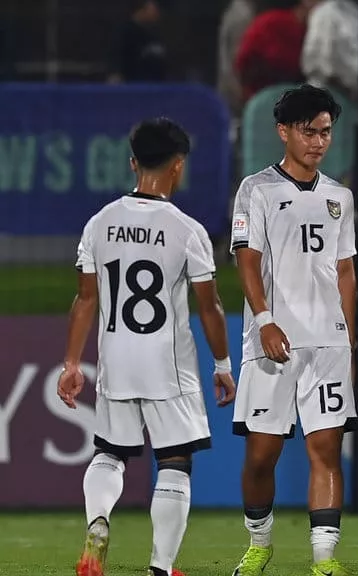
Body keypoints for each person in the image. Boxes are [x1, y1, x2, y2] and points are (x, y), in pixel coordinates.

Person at [59, 117, 236, 576]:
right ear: (178, 166)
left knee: (109, 453)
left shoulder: (100, 223)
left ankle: (98, 520)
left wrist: (72, 363)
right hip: (167, 366)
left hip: (116, 360)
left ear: (133, 162)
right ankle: (161, 565)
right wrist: (222, 363)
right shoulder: (187, 230)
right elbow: (210, 306)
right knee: (174, 460)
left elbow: (85, 298)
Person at [229, 84, 357, 576]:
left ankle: (324, 561)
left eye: (326, 132)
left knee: (326, 447)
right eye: (309, 132)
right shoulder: (256, 189)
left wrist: (349, 340)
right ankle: (260, 543)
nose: (319, 142)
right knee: (263, 456)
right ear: (284, 131)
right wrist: (264, 320)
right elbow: (247, 258)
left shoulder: (339, 197)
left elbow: (345, 271)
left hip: (327, 340)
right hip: (273, 341)